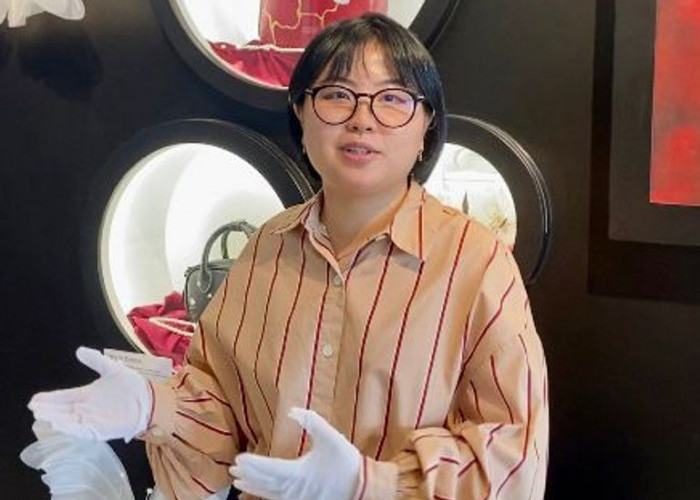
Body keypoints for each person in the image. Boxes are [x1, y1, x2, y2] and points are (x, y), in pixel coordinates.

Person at [29, 13, 549, 500]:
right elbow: (222, 409)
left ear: (426, 127)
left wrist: (370, 483)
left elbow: (514, 453)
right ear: (301, 113)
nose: (362, 120)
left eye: (392, 99)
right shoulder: (268, 246)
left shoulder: (476, 262)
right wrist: (152, 407)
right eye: (337, 95)